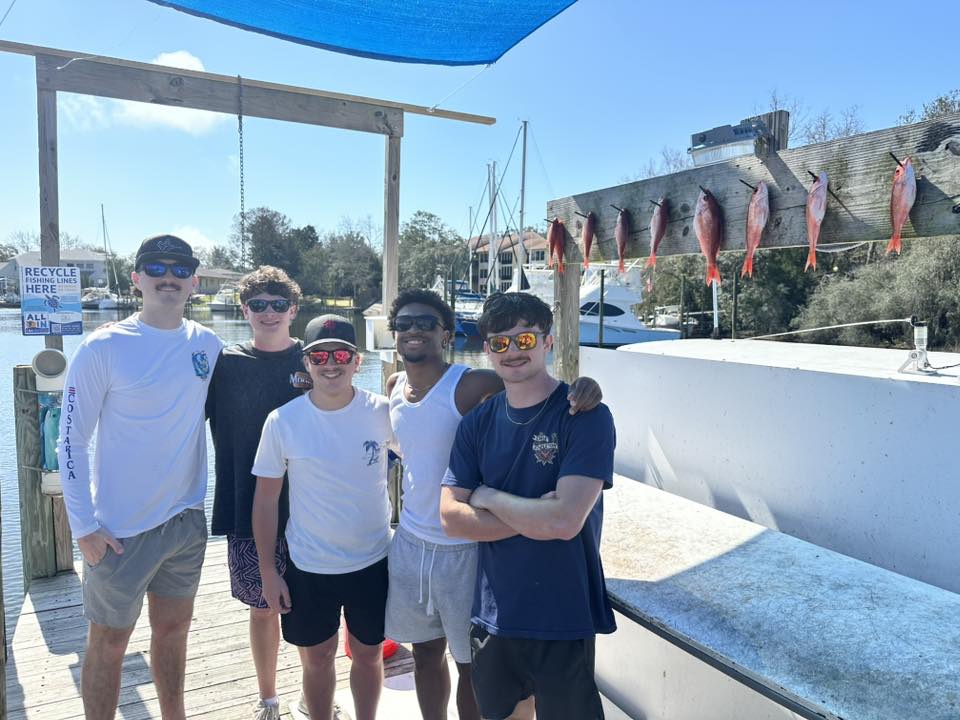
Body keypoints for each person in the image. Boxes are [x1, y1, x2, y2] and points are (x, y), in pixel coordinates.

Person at [383, 289, 602, 720]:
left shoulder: (474, 385)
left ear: (447, 334)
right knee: (425, 653)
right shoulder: (393, 385)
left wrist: (584, 388)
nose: (414, 330)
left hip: (472, 551)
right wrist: (538, 518)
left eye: (426, 323)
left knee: (470, 666)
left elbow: (533, 387)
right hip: (412, 541)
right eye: (404, 324)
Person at [58, 234, 223, 720]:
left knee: (173, 631)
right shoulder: (102, 347)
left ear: (194, 282)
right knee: (109, 643)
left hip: (186, 522)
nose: (168, 277)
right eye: (156, 268)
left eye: (180, 269)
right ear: (136, 279)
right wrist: (83, 526)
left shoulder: (208, 344)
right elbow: (70, 442)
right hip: (119, 531)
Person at [439, 292, 617, 720]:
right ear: (487, 350)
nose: (513, 351)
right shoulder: (477, 423)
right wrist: (537, 515)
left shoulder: (585, 416)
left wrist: (488, 497)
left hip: (562, 613)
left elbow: (564, 522)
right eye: (501, 342)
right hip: (493, 613)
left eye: (525, 339)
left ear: (547, 342)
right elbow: (450, 517)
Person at [252, 315, 392, 720]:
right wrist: (268, 572)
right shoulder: (283, 420)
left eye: (341, 355)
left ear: (357, 362)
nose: (331, 364)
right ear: (307, 364)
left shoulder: (383, 412)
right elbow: (265, 501)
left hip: (373, 560)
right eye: (319, 356)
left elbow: (427, 457)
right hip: (308, 564)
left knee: (368, 654)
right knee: (317, 658)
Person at [206, 265, 307, 720]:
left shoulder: (313, 359)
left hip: (310, 507)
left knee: (310, 609)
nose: (270, 313)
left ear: (293, 310)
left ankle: (311, 692)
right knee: (263, 608)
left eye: (279, 304)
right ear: (244, 310)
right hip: (246, 504)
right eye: (259, 305)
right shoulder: (224, 365)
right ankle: (268, 700)